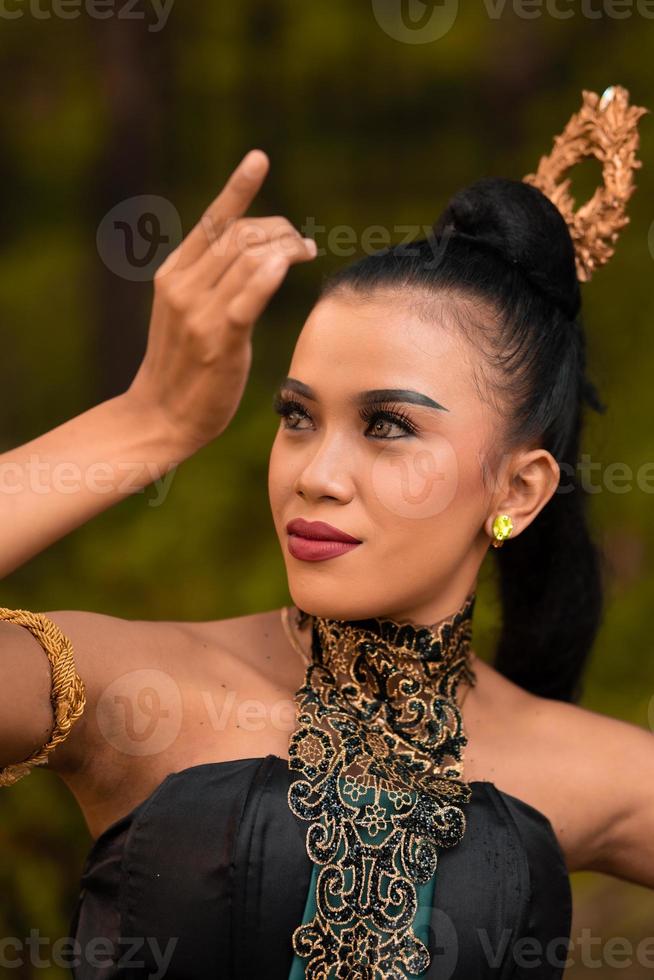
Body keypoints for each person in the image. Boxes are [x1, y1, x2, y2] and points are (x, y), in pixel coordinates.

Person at [1, 86, 652, 979]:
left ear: (521, 488)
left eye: (387, 425)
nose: (314, 472)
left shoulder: (592, 770)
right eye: (297, 417)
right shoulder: (139, 692)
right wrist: (146, 422)